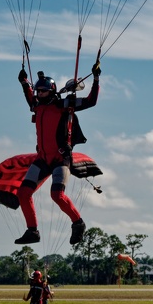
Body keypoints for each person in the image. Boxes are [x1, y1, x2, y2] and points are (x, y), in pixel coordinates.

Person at [14, 60, 101, 246]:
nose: (39, 94)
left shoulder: (64, 105)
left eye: (43, 91)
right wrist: (24, 82)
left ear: (51, 91)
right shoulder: (37, 105)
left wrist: (96, 78)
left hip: (61, 159)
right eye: (38, 91)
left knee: (56, 195)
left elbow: (91, 101)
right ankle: (32, 231)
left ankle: (78, 223)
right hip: (43, 159)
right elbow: (29, 96)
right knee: (23, 193)